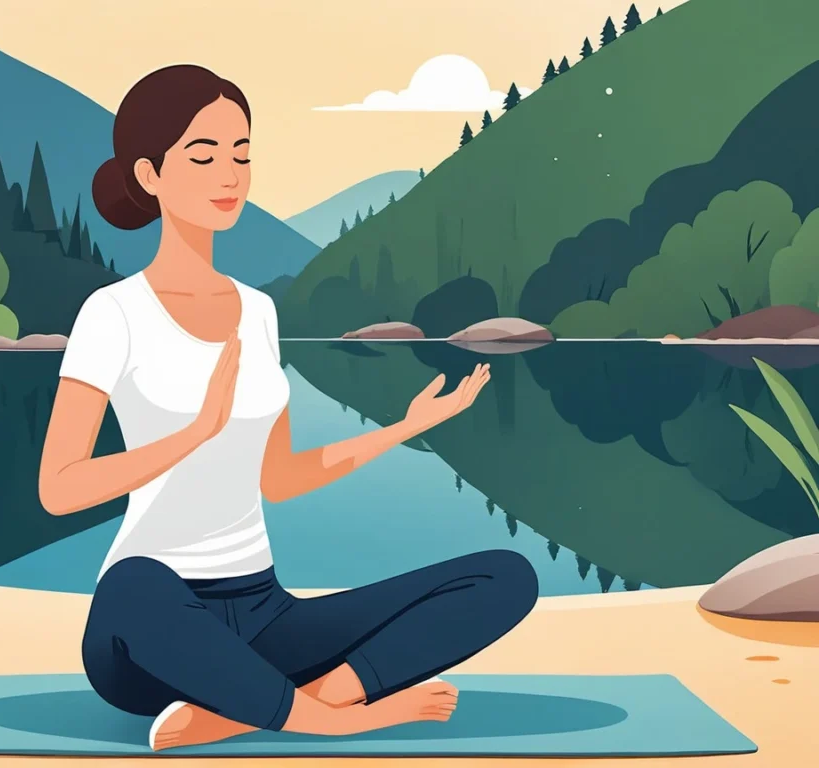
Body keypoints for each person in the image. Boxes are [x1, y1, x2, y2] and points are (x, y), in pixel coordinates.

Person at [39, 63, 538, 752]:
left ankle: (284, 704)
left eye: (241, 154)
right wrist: (196, 433)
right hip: (150, 633)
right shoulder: (113, 313)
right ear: (150, 175)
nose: (230, 175)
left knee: (503, 577)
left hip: (265, 615)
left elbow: (279, 478)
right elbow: (60, 488)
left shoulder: (257, 312)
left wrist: (406, 427)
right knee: (133, 586)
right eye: (204, 155)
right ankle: (343, 717)